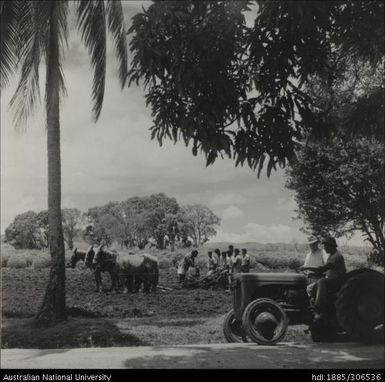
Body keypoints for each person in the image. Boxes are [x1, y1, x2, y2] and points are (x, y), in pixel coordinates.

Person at [303, 236, 347, 320]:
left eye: (325, 246)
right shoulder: (331, 255)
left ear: (330, 246)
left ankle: (318, 307)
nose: (324, 248)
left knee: (321, 282)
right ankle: (312, 308)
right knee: (310, 288)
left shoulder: (336, 256)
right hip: (331, 279)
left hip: (338, 280)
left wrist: (307, 268)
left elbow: (322, 269)